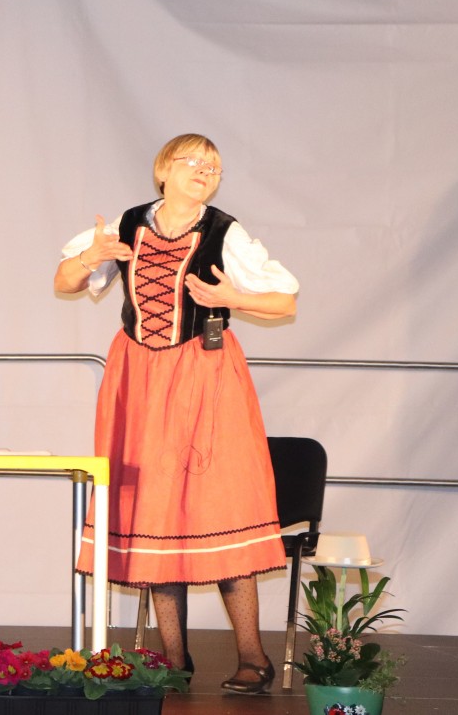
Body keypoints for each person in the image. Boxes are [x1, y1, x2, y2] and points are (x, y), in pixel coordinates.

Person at [54, 133, 299, 695]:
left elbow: (285, 299)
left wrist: (231, 299)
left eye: (214, 166)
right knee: (155, 513)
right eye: (193, 161)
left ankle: (253, 657)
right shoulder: (125, 225)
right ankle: (173, 658)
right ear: (163, 169)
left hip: (206, 374)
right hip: (138, 378)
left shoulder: (224, 232)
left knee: (219, 508)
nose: (205, 171)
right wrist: (93, 255)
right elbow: (64, 280)